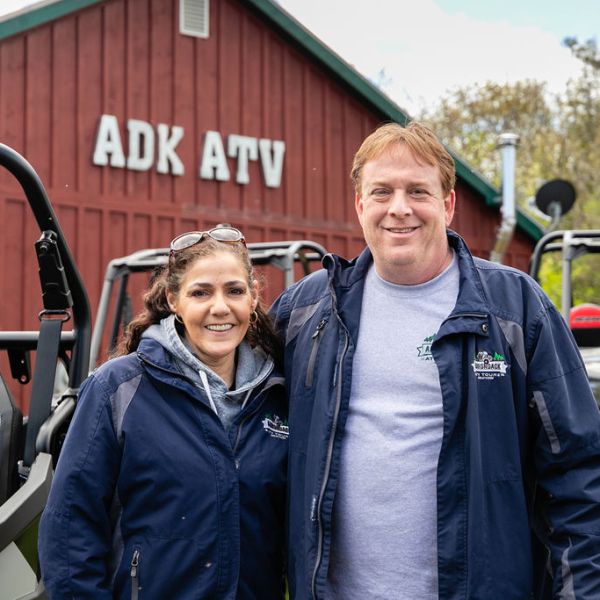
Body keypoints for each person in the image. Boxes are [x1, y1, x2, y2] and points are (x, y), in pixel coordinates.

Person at [270, 122, 600, 599]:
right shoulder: (307, 311)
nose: (398, 208)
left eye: (417, 191)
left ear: (447, 205)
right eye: (381, 191)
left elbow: (579, 475)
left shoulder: (514, 309)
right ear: (360, 204)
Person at [39, 226, 288, 599]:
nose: (219, 307)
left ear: (253, 297)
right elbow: (69, 528)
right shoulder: (117, 388)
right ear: (174, 300)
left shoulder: (278, 396)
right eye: (200, 292)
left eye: (234, 291)